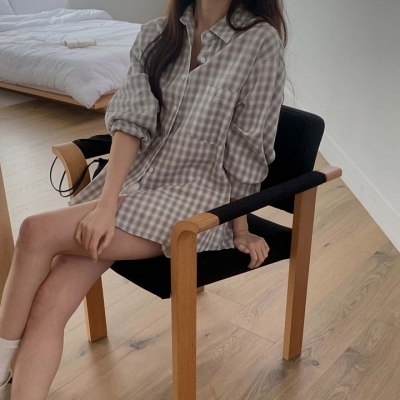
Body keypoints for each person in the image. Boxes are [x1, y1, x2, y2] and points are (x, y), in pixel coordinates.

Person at [0, 0, 286, 398]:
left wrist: (240, 227)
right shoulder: (156, 35)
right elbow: (131, 124)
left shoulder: (259, 42)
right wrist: (106, 204)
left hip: (195, 199)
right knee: (49, 300)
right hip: (133, 185)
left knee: (35, 231)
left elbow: (246, 150)